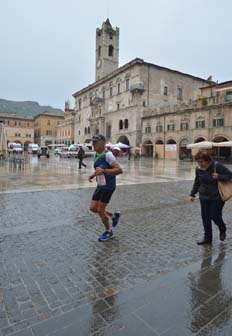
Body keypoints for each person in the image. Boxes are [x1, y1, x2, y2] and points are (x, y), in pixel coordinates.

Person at [189, 150, 232, 245]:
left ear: (208, 160)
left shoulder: (217, 166)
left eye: (202, 162)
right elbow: (197, 182)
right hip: (204, 197)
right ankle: (207, 239)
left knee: (215, 216)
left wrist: (219, 176)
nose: (200, 164)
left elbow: (230, 175)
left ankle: (222, 228)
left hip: (217, 197)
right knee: (205, 218)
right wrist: (192, 194)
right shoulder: (198, 169)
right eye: (198, 162)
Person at [89, 134, 123, 242]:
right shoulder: (95, 155)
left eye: (96, 142)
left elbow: (119, 170)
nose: (93, 144)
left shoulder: (109, 155)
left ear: (103, 143)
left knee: (100, 210)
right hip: (101, 185)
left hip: (108, 186)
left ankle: (109, 231)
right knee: (93, 208)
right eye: (92, 142)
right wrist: (93, 175)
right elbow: (99, 169)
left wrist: (105, 171)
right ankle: (113, 216)